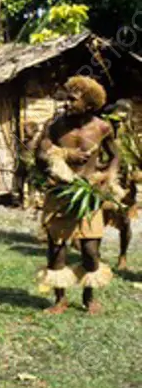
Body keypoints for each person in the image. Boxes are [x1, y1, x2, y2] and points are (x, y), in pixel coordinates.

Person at [35, 76, 119, 314]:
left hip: (88, 195)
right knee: (57, 249)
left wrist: (108, 179)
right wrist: (64, 154)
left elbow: (115, 156)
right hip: (61, 191)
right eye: (67, 97)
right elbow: (39, 156)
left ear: (89, 104)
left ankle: (88, 296)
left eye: (73, 99)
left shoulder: (103, 127)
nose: (66, 103)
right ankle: (59, 299)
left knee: (90, 251)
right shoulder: (55, 125)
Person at [103, 100, 139, 270]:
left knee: (124, 222)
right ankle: (92, 254)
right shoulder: (102, 133)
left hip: (125, 184)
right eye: (115, 120)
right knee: (97, 219)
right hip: (103, 181)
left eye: (122, 120)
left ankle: (122, 256)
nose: (118, 123)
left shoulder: (131, 137)